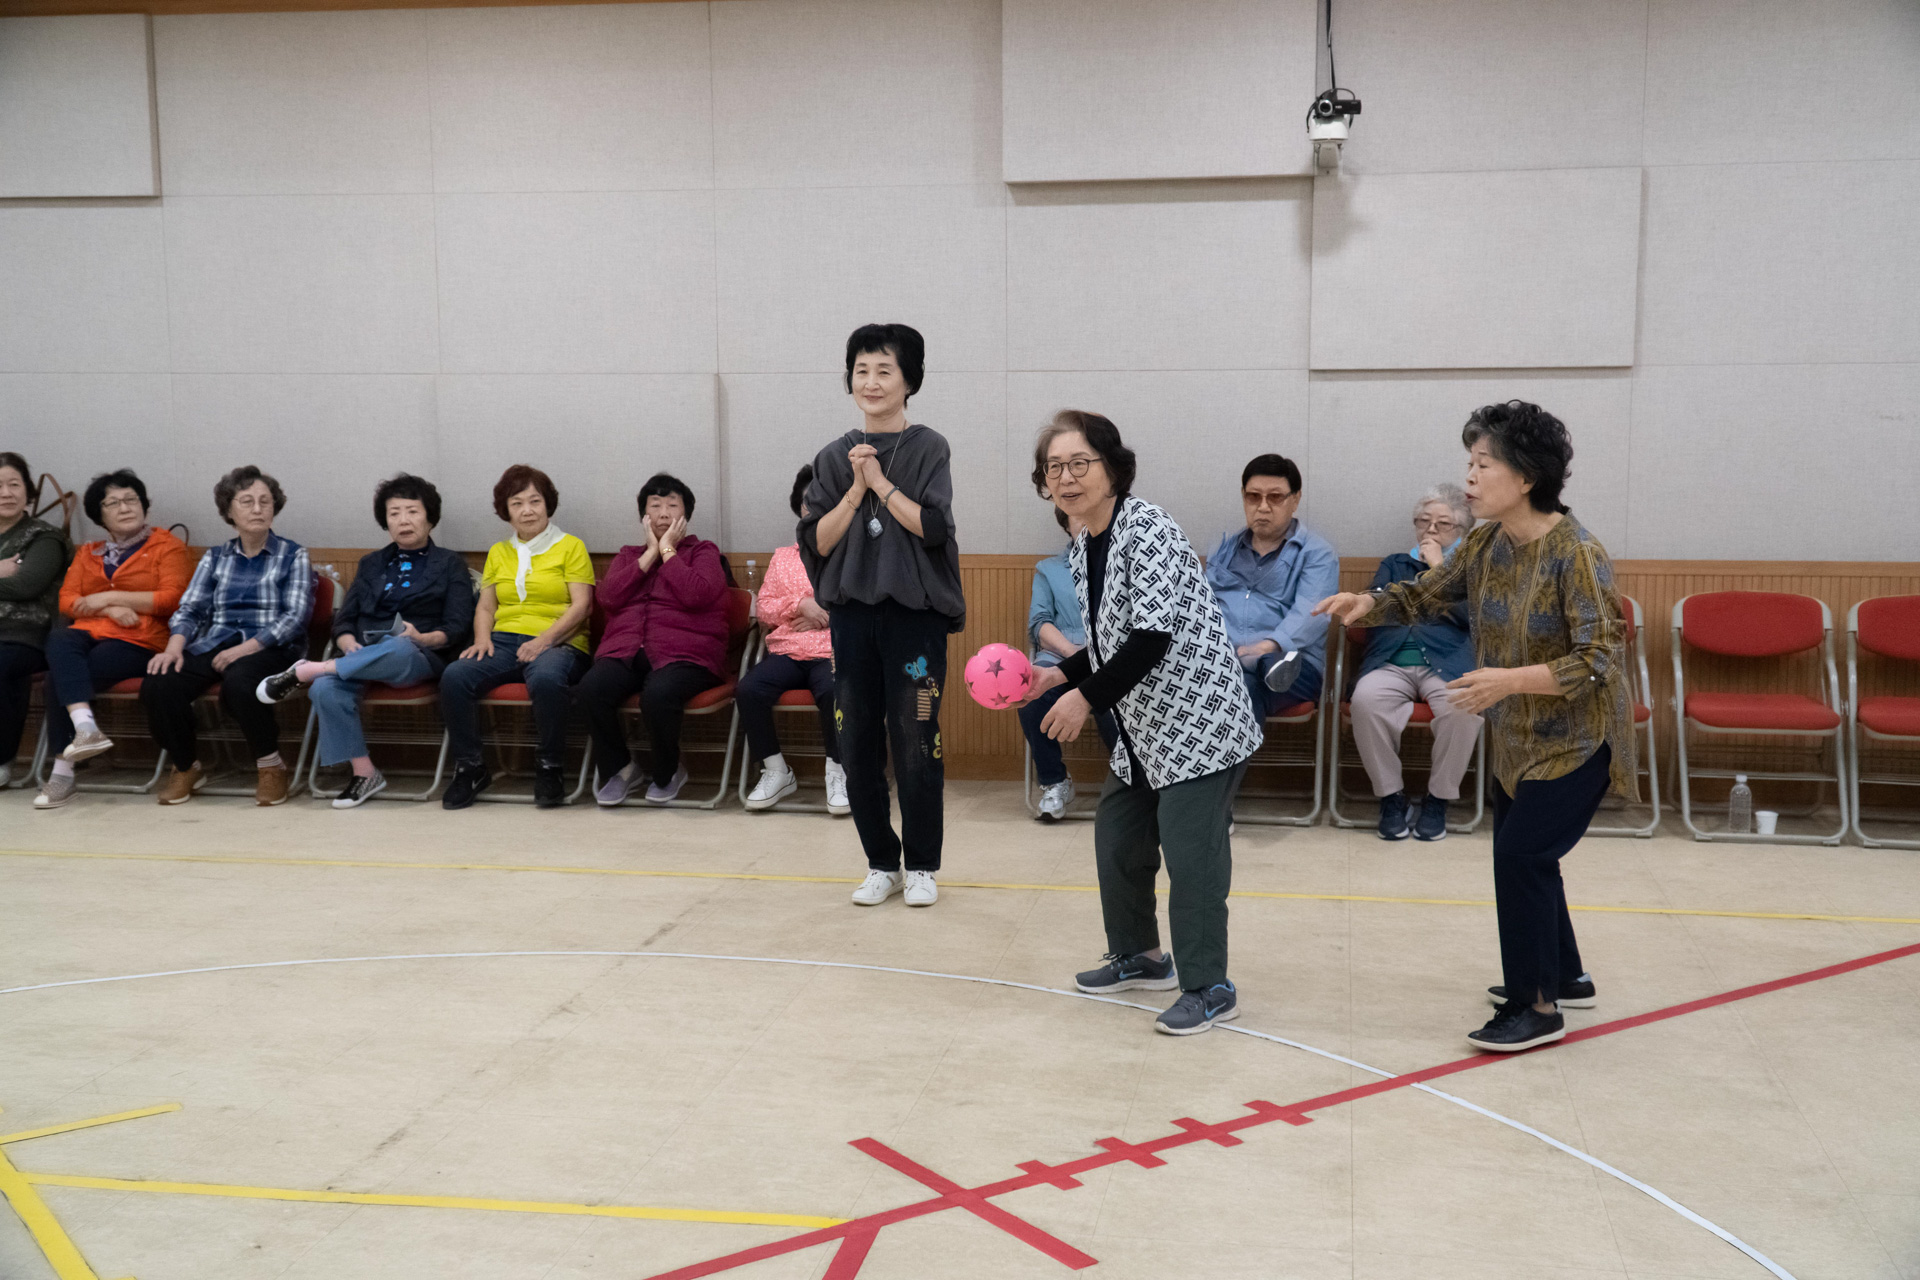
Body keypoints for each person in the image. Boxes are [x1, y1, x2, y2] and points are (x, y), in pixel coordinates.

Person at [1315, 401, 1636, 1052]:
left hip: (1579, 740)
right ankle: (1565, 975)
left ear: (1526, 477)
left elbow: (1600, 658)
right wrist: (1367, 601)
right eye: (1470, 462)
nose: (1469, 476)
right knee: (1527, 855)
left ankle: (1535, 1007)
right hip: (1518, 738)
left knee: (1521, 856)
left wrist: (1510, 680)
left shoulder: (1577, 554)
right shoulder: (1486, 544)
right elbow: (1426, 593)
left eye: (1483, 464)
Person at [1023, 411, 1264, 1036]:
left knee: (1192, 858)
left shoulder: (1147, 527)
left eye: (1080, 464)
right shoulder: (1084, 542)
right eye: (1054, 468)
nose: (1066, 478)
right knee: (1118, 839)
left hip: (1200, 727)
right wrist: (1060, 675)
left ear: (1113, 468)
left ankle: (1211, 987)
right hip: (1144, 731)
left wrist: (1083, 699)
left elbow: (1150, 638)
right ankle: (1142, 956)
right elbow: (1111, 640)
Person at [800, 323, 964, 908]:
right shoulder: (831, 455)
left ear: (909, 380)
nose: (870, 382)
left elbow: (934, 527)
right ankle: (880, 862)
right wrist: (854, 488)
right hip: (851, 619)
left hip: (915, 620)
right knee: (855, 742)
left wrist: (880, 482)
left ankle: (920, 865)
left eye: (884, 370)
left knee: (916, 736)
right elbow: (816, 541)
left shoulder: (929, 446)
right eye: (861, 370)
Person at [255, 474, 474, 808]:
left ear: (430, 518)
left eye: (412, 511)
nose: (403, 520)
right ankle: (364, 772)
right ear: (385, 521)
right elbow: (346, 617)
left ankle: (308, 670)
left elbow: (457, 626)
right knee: (324, 688)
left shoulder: (450, 564)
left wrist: (422, 637)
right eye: (394, 513)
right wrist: (345, 641)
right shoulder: (372, 563)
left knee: (399, 647)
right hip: (362, 652)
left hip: (416, 654)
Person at [141, 465, 313, 806]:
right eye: (247, 501)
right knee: (159, 682)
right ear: (229, 511)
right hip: (215, 642)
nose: (257, 509)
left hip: (273, 646)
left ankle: (270, 765)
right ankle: (186, 765)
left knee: (241, 682)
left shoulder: (293, 555)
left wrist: (246, 648)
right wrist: (173, 648)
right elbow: (191, 608)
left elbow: (295, 617)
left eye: (265, 501)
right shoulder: (215, 557)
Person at [34, 469, 192, 809]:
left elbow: (172, 598)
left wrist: (108, 598)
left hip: (141, 640)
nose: (125, 507)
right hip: (91, 632)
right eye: (113, 503)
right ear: (100, 515)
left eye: (131, 499)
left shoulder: (167, 546)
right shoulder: (88, 553)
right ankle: (85, 727)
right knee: (60, 640)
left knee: (56, 679)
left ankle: (63, 774)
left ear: (144, 505)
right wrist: (109, 610)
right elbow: (67, 601)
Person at [439, 464, 593, 810]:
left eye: (535, 501)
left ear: (548, 504)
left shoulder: (571, 547)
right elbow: (485, 607)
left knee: (548, 678)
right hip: (505, 640)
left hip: (561, 641)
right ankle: (470, 768)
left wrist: (544, 640)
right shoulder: (499, 552)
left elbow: (582, 606)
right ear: (505, 511)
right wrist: (482, 639)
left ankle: (550, 767)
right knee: (455, 676)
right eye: (517, 503)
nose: (527, 510)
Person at [575, 473, 730, 807]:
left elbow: (697, 595)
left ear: (685, 514)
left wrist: (668, 551)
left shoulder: (704, 552)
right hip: (626, 650)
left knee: (659, 694)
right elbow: (609, 598)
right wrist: (649, 554)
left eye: (672, 505)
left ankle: (668, 772)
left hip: (687, 654)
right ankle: (622, 769)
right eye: (655, 506)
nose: (663, 514)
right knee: (590, 689)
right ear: (644, 516)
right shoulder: (628, 555)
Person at [1349, 483, 1481, 842]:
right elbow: (1376, 607)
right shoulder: (1395, 564)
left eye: (1442, 524)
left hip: (1448, 663)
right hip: (1390, 660)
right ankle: (1391, 798)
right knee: (1365, 701)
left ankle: (1438, 799)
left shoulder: (1472, 567)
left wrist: (1439, 570)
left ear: (1462, 531)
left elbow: (1476, 619)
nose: (1430, 530)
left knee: (1463, 706)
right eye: (1424, 521)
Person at [740, 464, 846, 814]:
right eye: (807, 501)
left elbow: (866, 604)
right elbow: (765, 608)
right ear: (799, 508)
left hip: (833, 651)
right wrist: (800, 605)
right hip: (787, 651)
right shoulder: (783, 557)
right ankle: (776, 771)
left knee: (835, 690)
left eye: (823, 500)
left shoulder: (850, 552)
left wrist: (825, 612)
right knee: (749, 690)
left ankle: (838, 772)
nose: (814, 507)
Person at [1204, 454, 1340, 718]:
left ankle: (1263, 665)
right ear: (1244, 497)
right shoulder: (1223, 550)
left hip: (1292, 662)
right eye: (1254, 497)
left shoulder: (1317, 553)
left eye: (1275, 497)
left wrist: (1269, 645)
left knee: (1243, 685)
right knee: (1233, 683)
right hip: (1226, 658)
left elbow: (1311, 613)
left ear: (1295, 500)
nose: (1263, 507)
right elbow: (1204, 606)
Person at [1019, 507, 1116, 821]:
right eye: (1078, 518)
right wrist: (1072, 652)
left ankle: (1129, 784)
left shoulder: (1121, 563)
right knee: (1032, 698)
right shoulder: (1049, 570)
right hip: (1060, 654)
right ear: (1066, 524)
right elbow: (1040, 623)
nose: (1086, 524)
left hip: (1110, 660)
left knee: (1114, 702)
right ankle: (1055, 782)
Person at [0, 452, 73, 789]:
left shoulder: (43, 537)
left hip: (25, 635)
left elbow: (26, 585)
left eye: (14, 484)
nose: (6, 493)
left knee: (3, 663)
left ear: (28, 492)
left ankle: (2, 760)